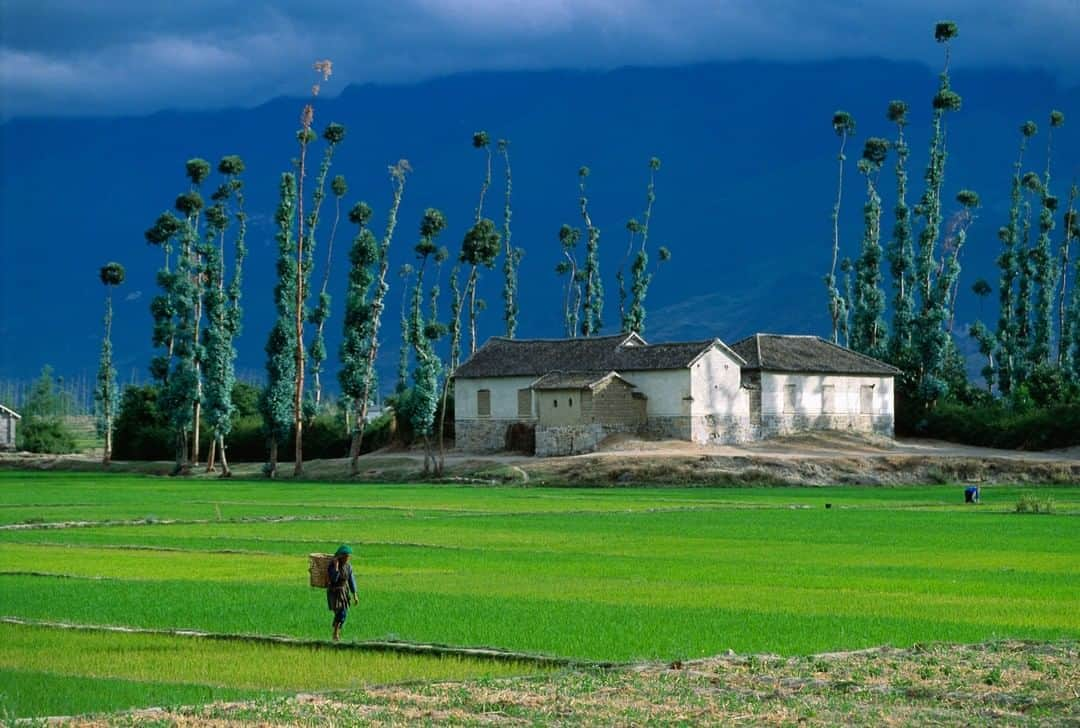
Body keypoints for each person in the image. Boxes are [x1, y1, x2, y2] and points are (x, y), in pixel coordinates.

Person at [327, 544, 358, 642]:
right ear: (341, 556)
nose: (347, 559)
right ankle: (335, 633)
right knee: (341, 612)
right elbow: (334, 579)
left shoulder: (348, 567)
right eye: (345, 556)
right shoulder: (332, 566)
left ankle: (336, 633)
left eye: (348, 556)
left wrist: (355, 595)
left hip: (344, 592)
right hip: (334, 592)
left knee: (343, 614)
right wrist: (336, 568)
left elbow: (351, 581)